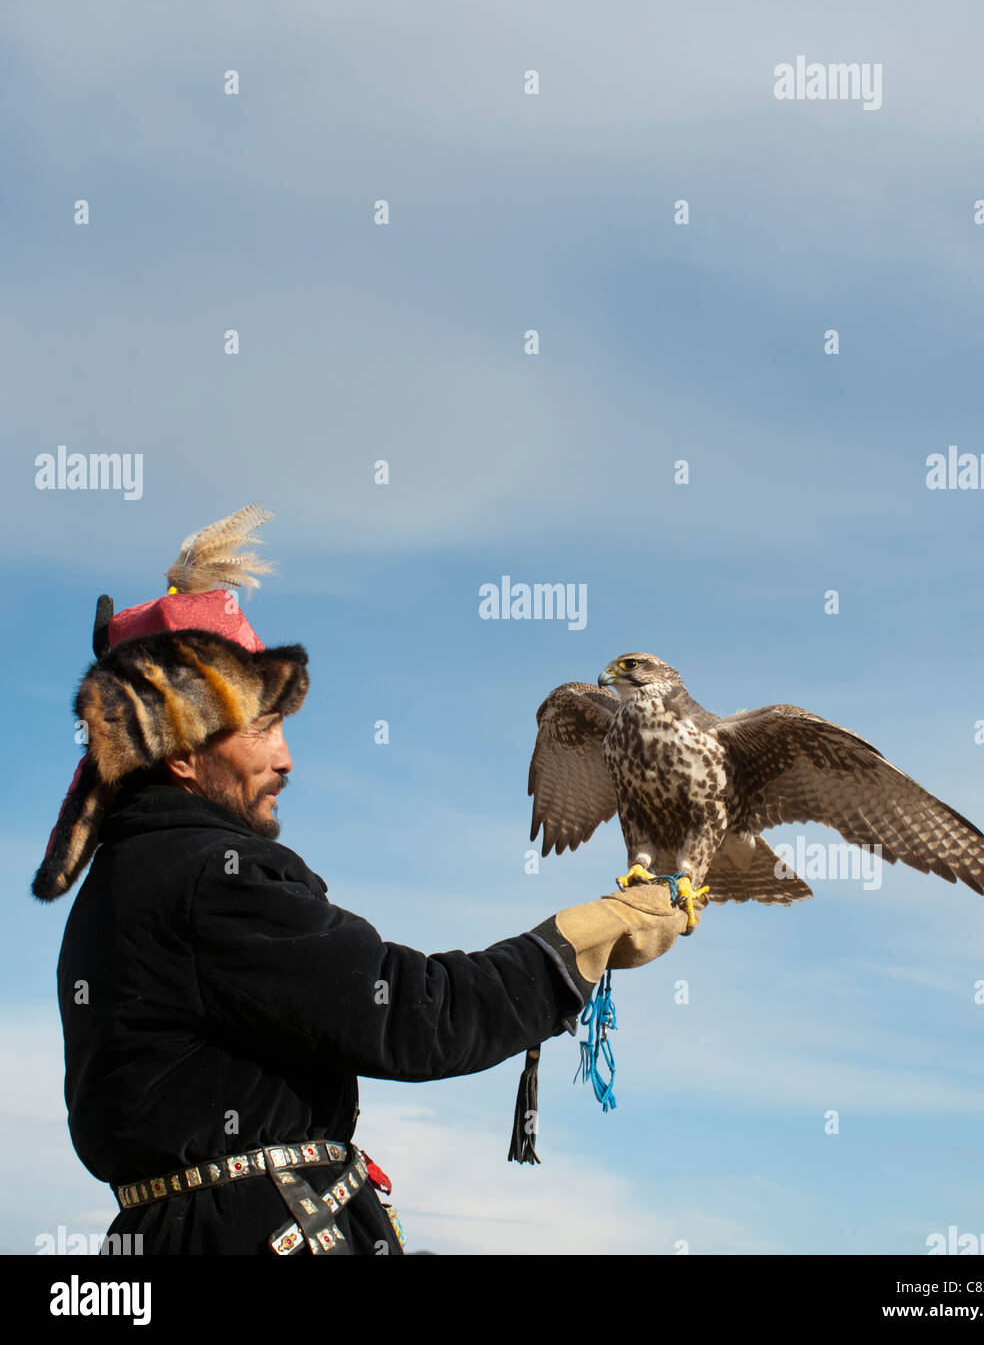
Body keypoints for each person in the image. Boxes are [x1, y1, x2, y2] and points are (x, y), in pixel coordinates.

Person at [32, 505, 698, 1256]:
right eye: (261, 730)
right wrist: (574, 943)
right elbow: (415, 1018)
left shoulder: (129, 879)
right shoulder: (209, 878)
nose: (285, 759)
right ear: (181, 753)